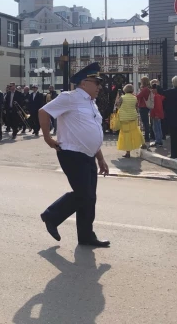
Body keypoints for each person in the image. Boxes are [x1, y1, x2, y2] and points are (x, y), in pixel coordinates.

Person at [38, 62, 110, 247]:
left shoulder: (91, 104)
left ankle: (86, 236)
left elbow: (90, 132)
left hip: (88, 155)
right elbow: (43, 112)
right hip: (71, 153)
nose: (99, 87)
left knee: (90, 197)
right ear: (85, 83)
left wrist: (100, 158)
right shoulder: (69, 97)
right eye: (97, 82)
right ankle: (51, 215)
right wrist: (47, 137)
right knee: (83, 194)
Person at [116, 84, 144, 158]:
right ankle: (143, 143)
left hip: (124, 118)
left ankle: (128, 152)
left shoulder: (122, 98)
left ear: (125, 90)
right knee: (136, 130)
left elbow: (117, 105)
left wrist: (117, 98)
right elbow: (136, 106)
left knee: (126, 135)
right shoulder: (134, 98)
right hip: (133, 117)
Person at [136, 76, 152, 148]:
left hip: (143, 106)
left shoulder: (145, 89)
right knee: (145, 123)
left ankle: (146, 139)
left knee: (145, 123)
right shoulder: (147, 89)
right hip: (144, 106)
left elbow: (139, 96)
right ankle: (146, 139)